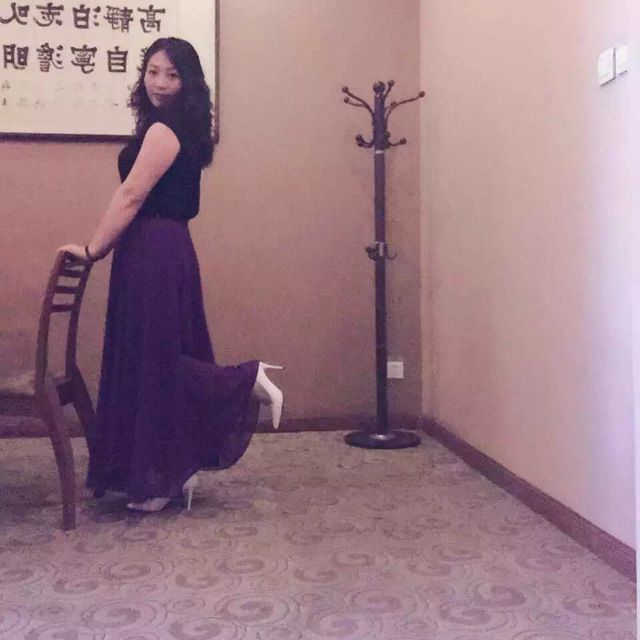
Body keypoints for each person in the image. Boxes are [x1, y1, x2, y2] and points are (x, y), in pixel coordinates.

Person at [59, 37, 283, 513]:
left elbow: (131, 196)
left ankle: (242, 384)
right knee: (156, 356)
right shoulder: (174, 125)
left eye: (172, 74)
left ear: (189, 81)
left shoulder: (164, 130)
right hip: (160, 248)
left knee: (155, 360)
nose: (159, 82)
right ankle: (168, 473)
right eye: (152, 71)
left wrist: (94, 249)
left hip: (154, 250)